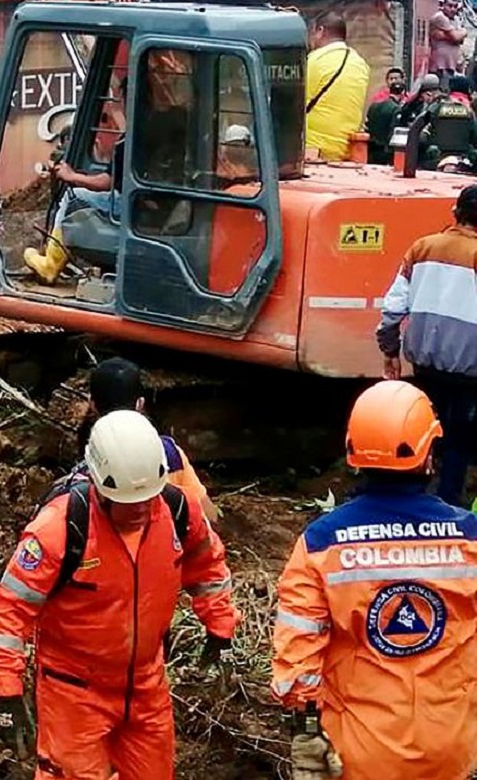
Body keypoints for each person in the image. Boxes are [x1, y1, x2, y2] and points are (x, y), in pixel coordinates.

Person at [0, 410, 239, 779]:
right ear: (99, 485)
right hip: (73, 692)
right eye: (127, 501)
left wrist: (220, 626)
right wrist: (6, 690)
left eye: (146, 500)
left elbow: (208, 566)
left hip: (146, 685)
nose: (139, 510)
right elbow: (10, 609)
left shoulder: (178, 510)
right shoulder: (61, 528)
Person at [272, 379, 477, 780]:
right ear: (428, 455)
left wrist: (308, 731)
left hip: (360, 752)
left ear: (353, 452)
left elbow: (297, 657)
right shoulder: (470, 536)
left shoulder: (320, 543)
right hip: (452, 747)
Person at [377, 185, 477, 507]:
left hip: (425, 365)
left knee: (425, 433)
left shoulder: (421, 248)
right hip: (470, 371)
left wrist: (389, 351)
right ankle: (448, 507)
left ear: (454, 213)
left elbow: (392, 309)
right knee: (459, 441)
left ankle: (414, 500)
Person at [81, 357, 219, 521]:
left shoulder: (88, 468)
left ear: (92, 404)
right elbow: (209, 515)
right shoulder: (170, 454)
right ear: (140, 403)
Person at [23, 78, 127, 284]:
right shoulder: (158, 129)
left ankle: (51, 264)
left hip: (131, 205)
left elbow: (108, 181)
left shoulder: (130, 141)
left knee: (74, 197)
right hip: (151, 205)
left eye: (121, 99)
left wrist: (72, 177)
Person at [305, 11, 370, 162]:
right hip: (347, 153)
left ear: (320, 31)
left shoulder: (315, 60)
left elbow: (293, 106)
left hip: (313, 152)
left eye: (312, 33)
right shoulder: (361, 64)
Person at [366, 71, 407, 163]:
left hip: (371, 150)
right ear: (402, 93)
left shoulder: (374, 105)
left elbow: (367, 126)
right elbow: (393, 131)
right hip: (386, 152)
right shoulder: (396, 109)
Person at [431, 0, 467, 82]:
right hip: (441, 65)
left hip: (452, 65)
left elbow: (460, 40)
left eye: (455, 6)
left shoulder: (456, 19)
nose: (453, 9)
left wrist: (451, 36)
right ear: (443, 5)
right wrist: (464, 32)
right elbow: (456, 37)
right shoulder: (440, 17)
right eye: (450, 6)